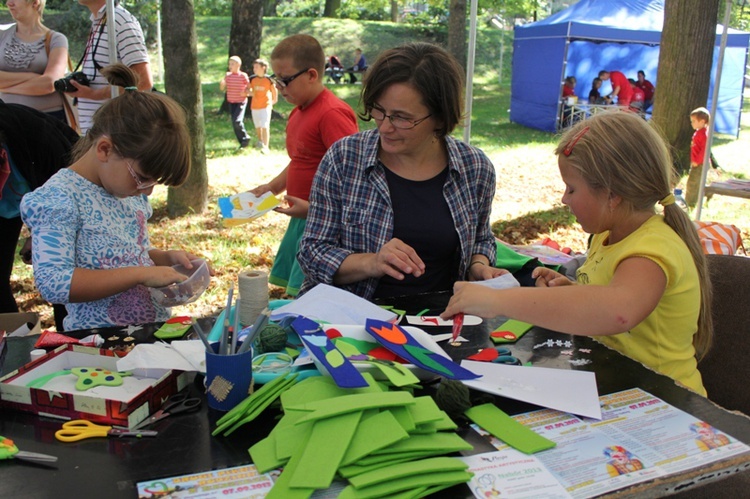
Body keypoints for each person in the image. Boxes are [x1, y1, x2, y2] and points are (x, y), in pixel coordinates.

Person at [441, 111, 712, 396]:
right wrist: (572, 291)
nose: (564, 199)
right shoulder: (609, 236)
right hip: (624, 387)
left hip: (669, 402)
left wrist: (496, 300)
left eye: (571, 188)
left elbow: (618, 312)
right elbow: (608, 301)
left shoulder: (652, 248)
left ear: (612, 195)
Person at [298, 42, 504, 300]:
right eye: (379, 110)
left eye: (402, 118)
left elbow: (481, 239)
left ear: (440, 117)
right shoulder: (345, 159)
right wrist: (372, 263)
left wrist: (479, 267)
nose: (384, 127)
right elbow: (312, 252)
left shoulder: (474, 168)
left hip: (442, 320)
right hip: (350, 323)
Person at [20, 63, 203, 331]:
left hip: (149, 333)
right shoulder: (58, 198)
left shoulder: (127, 190)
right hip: (98, 345)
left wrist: (164, 258)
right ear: (105, 149)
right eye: (143, 177)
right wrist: (141, 274)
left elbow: (131, 253)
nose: (149, 191)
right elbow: (54, 283)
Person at [249, 34, 358, 297]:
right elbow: (300, 160)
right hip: (303, 218)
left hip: (326, 223)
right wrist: (271, 187)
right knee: (297, 292)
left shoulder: (332, 113)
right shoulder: (299, 110)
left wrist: (314, 209)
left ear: (311, 75)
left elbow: (353, 177)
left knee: (312, 293)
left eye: (285, 80)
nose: (280, 87)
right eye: (276, 79)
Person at [0, 100, 79, 329]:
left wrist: (39, 234)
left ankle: (71, 342)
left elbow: (70, 195)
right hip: (12, 200)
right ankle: (11, 349)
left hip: (59, 196)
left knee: (63, 272)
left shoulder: (38, 137)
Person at [68, 0, 153, 134]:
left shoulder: (120, 20)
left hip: (115, 134)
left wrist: (95, 94)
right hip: (99, 134)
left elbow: (142, 80)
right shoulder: (101, 20)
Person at [0, 0, 69, 120]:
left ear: (35, 2)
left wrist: (5, 88)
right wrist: (33, 77)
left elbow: (50, 84)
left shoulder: (56, 39)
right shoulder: (2, 36)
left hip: (48, 122)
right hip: (7, 121)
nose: (8, 3)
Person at [220, 55, 251, 149]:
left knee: (237, 121)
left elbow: (249, 88)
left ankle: (245, 138)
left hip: (241, 102)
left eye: (232, 64)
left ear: (238, 65)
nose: (230, 66)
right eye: (229, 64)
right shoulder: (227, 76)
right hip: (231, 102)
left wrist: (246, 92)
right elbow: (222, 89)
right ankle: (243, 141)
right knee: (234, 122)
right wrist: (222, 84)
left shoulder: (243, 76)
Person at [248, 58, 278, 153]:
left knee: (265, 125)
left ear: (263, 67)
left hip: (266, 105)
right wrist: (247, 93)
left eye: (256, 67)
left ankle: (266, 146)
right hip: (255, 105)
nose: (254, 69)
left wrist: (274, 100)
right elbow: (249, 90)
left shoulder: (269, 79)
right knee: (258, 125)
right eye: (254, 67)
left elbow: (274, 90)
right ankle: (260, 141)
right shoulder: (252, 79)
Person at [685, 107, 710, 209]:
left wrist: (697, 161)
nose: (692, 123)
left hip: (700, 163)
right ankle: (693, 200)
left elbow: (705, 150)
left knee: (693, 183)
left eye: (694, 121)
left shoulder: (704, 134)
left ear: (702, 121)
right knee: (694, 182)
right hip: (696, 162)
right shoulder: (698, 132)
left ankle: (690, 203)